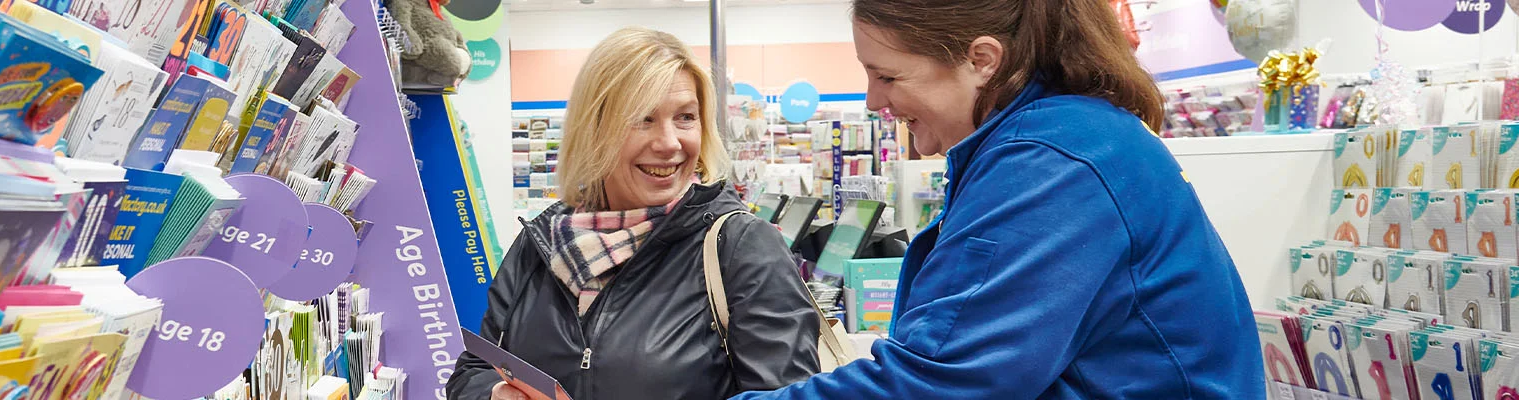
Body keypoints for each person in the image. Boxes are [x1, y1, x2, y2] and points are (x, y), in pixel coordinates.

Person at [732, 0, 1264, 399]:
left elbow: (944, 379)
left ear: (982, 60)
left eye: (887, 75)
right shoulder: (1060, 140)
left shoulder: (1051, 164)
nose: (874, 100)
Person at [447, 27, 821, 400]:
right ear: (594, 128)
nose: (670, 142)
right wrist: (496, 394)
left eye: (686, 117)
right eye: (643, 118)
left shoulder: (740, 247)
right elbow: (473, 368)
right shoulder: (543, 238)